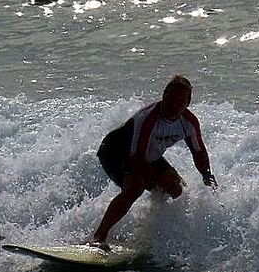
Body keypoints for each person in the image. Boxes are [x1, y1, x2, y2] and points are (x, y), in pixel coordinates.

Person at [89, 75, 217, 249]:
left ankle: (150, 236)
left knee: (179, 190)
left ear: (187, 104)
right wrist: (158, 180)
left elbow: (199, 152)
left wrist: (207, 175)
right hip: (115, 151)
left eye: (180, 101)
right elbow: (136, 160)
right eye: (171, 98)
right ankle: (99, 236)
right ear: (164, 95)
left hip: (148, 157)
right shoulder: (148, 118)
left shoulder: (189, 123)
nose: (174, 105)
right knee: (135, 187)